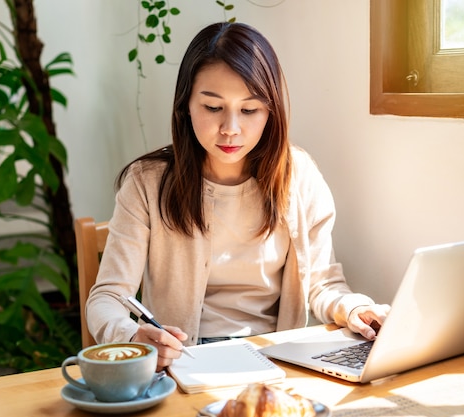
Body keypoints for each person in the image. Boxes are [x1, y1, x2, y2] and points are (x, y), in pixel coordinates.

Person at [86, 21, 390, 369]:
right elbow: (107, 297)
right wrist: (131, 336)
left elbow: (322, 283)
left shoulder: (298, 175)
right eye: (213, 108)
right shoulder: (147, 182)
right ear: (186, 105)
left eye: (249, 110)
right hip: (184, 363)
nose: (231, 128)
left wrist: (355, 309)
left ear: (270, 111)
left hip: (276, 361)